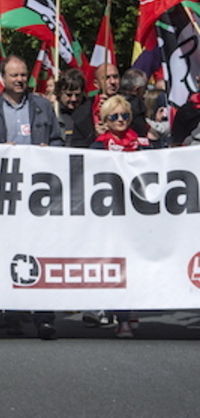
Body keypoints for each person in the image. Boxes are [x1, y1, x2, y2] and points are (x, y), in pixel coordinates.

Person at [0, 55, 61, 340]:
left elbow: (60, 141)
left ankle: (44, 317)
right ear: (3, 78)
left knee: (42, 252)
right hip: (8, 194)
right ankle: (11, 314)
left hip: (39, 193)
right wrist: (0, 151)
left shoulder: (43, 107)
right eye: (14, 75)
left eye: (23, 75)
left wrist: (47, 149)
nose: (20, 80)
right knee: (9, 254)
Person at [89, 95, 153, 338]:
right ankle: (122, 316)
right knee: (118, 264)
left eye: (124, 116)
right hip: (110, 216)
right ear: (105, 120)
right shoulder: (98, 146)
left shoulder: (143, 144)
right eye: (114, 116)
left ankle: (132, 307)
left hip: (138, 214)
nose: (120, 121)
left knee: (136, 264)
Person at [71, 63, 120, 147]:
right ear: (96, 83)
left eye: (115, 77)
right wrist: (95, 135)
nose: (112, 82)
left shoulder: (132, 106)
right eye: (107, 78)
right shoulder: (82, 111)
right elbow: (77, 145)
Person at [54, 69, 86, 145]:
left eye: (77, 95)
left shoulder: (89, 113)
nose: (74, 99)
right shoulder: (52, 114)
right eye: (69, 95)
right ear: (59, 93)